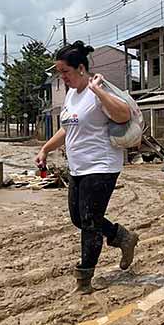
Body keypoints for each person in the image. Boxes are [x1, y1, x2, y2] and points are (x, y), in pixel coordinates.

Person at [35, 41, 139, 294]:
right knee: (78, 218)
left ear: (81, 68)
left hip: (102, 166)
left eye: (65, 72)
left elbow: (124, 115)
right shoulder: (71, 95)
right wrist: (45, 149)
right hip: (78, 168)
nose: (63, 78)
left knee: (90, 221)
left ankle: (84, 278)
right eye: (60, 73)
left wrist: (98, 90)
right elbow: (67, 127)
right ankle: (122, 237)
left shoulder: (97, 89)